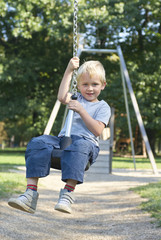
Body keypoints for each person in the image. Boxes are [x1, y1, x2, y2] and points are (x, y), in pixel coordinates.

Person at [8, 57, 111, 214]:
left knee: (80, 146)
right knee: (37, 142)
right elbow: (62, 96)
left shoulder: (103, 107)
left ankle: (67, 195)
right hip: (63, 140)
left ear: (103, 85)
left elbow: (97, 130)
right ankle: (30, 194)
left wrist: (82, 111)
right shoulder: (76, 97)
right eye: (85, 84)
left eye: (94, 84)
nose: (90, 88)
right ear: (79, 86)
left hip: (86, 144)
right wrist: (69, 70)